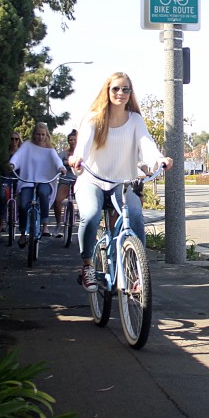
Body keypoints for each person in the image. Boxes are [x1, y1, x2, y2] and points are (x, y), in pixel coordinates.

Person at [68, 72, 173, 292]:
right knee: (91, 214)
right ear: (107, 91)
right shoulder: (94, 117)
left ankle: (136, 272)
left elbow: (147, 144)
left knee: (134, 215)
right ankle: (87, 264)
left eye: (126, 89)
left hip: (122, 182)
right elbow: (84, 144)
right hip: (92, 180)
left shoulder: (134, 119)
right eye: (116, 88)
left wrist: (158, 159)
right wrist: (77, 157)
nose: (121, 93)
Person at [9, 122, 65, 247]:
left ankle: (45, 225)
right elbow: (18, 156)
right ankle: (23, 233)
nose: (40, 137)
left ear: (47, 135)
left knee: (43, 192)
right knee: (23, 204)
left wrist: (61, 168)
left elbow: (56, 160)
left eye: (43, 135)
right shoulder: (27, 145)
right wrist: (12, 164)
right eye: (38, 134)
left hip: (44, 180)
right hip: (27, 179)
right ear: (34, 134)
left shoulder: (49, 148)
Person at [0, 130, 23, 232]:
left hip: (19, 178)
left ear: (19, 140)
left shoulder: (22, 153)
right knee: (3, 197)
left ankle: (21, 221)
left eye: (16, 139)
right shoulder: (4, 152)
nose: (14, 141)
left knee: (22, 198)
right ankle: (1, 223)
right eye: (12, 139)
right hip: (6, 177)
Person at [53, 129, 78, 228]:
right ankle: (58, 223)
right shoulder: (62, 154)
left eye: (74, 140)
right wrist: (65, 163)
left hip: (79, 181)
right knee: (58, 200)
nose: (72, 141)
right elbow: (57, 163)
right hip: (66, 180)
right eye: (70, 140)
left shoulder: (82, 153)